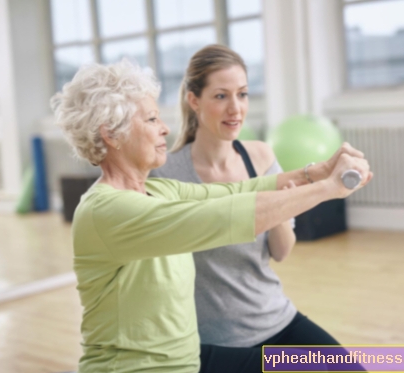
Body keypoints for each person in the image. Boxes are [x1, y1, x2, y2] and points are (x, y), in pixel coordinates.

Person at [51, 59, 371, 373]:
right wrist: (329, 188)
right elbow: (226, 217)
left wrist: (317, 172)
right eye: (150, 120)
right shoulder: (108, 211)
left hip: (187, 361)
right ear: (111, 133)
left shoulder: (160, 191)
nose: (164, 128)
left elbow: (241, 192)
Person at [150, 45, 368, 357]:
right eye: (221, 96)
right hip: (214, 341)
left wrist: (278, 208)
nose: (235, 109)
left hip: (275, 318)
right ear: (194, 100)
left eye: (242, 94)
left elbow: (282, 251)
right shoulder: (166, 173)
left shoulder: (261, 157)